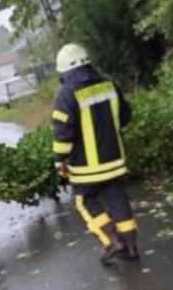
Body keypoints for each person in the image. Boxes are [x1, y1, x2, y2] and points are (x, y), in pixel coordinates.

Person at [51, 43, 140, 265]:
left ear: (63, 70)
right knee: (118, 198)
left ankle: (111, 240)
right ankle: (130, 246)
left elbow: (63, 135)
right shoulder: (109, 85)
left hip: (86, 168)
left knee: (84, 200)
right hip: (116, 160)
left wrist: (58, 161)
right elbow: (125, 116)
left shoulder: (66, 95)